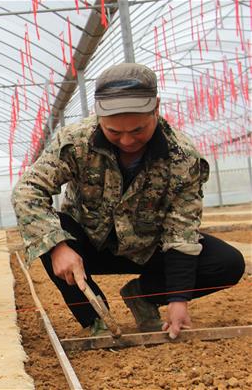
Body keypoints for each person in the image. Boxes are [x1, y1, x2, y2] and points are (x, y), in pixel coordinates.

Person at [12, 63, 245, 339]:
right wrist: (58, 247)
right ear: (99, 117)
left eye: (137, 130)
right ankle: (96, 318)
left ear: (155, 108)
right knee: (50, 233)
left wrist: (177, 298)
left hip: (148, 248)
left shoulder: (181, 157)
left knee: (227, 263)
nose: (126, 140)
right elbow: (27, 190)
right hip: (90, 247)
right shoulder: (75, 143)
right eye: (114, 132)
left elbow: (181, 230)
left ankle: (144, 296)